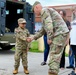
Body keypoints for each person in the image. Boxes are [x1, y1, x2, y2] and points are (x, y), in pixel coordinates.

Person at [28, 1, 69, 75]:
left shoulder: (44, 11)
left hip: (59, 34)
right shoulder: (45, 13)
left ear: (37, 7)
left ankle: (52, 73)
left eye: (34, 10)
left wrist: (49, 37)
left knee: (53, 57)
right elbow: (42, 30)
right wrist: (33, 37)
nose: (34, 13)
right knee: (55, 57)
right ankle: (53, 72)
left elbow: (49, 24)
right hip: (61, 34)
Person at [68, 7, 76, 75]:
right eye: (73, 11)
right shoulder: (72, 21)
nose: (74, 12)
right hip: (73, 41)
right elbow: (71, 31)